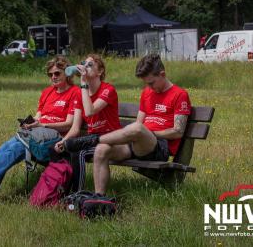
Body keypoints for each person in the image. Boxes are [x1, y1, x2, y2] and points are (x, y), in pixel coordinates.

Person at [63, 54, 191, 195]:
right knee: (101, 150)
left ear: (163, 74)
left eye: (151, 82)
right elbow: (139, 122)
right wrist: (138, 133)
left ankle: (92, 140)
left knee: (137, 128)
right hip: (136, 143)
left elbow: (178, 131)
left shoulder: (180, 95)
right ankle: (99, 198)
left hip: (159, 147)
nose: (149, 86)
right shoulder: (147, 93)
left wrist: (146, 133)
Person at [0, 55, 80, 195]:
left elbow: (69, 124)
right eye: (50, 74)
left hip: (57, 138)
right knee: (6, 147)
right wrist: (30, 124)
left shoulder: (75, 92)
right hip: (39, 133)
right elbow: (38, 116)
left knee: (19, 146)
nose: (53, 77)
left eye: (57, 73)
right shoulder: (47, 92)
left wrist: (42, 125)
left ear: (67, 73)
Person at [53, 54, 121, 192]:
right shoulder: (80, 94)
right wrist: (64, 141)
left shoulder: (108, 90)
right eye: (84, 64)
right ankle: (60, 193)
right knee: (63, 148)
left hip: (110, 139)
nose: (85, 67)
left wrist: (83, 83)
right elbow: (75, 128)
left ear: (100, 72)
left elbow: (90, 111)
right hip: (91, 139)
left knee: (79, 153)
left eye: (90, 65)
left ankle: (77, 194)